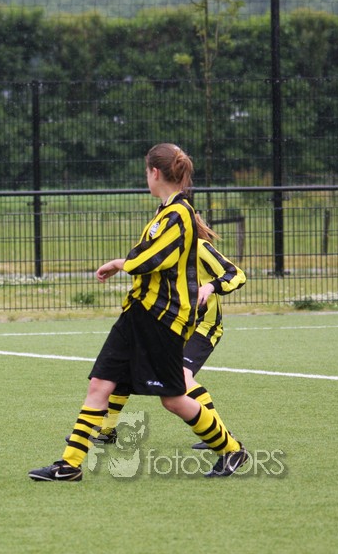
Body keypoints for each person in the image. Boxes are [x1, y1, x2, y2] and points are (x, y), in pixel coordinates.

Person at [29, 143, 248, 482]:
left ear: (155, 172)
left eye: (147, 172)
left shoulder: (180, 213)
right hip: (137, 313)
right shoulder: (166, 212)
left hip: (162, 319)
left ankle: (231, 449)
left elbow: (152, 258)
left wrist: (120, 263)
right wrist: (124, 264)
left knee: (173, 399)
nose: (146, 177)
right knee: (100, 384)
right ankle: (69, 465)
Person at [89, 215, 247, 451]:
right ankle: (106, 430)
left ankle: (221, 435)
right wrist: (117, 264)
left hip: (202, 327)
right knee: (124, 368)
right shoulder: (162, 251)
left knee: (182, 377)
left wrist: (210, 286)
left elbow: (236, 274)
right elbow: (142, 267)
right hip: (170, 325)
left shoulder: (199, 247)